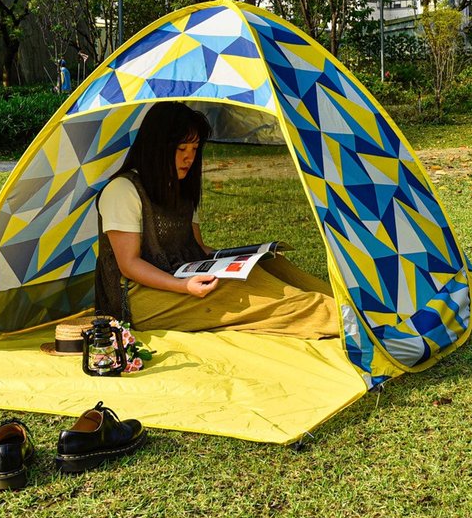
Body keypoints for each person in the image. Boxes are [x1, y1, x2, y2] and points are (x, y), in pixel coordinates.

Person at [95, 101, 340, 340]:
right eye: (181, 150)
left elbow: (198, 246)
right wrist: (183, 286)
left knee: (270, 265)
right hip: (139, 298)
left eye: (194, 150)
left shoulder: (179, 187)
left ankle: (345, 303)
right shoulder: (123, 190)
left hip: (184, 274)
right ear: (157, 148)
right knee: (241, 291)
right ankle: (340, 320)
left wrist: (244, 259)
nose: (189, 159)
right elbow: (129, 264)